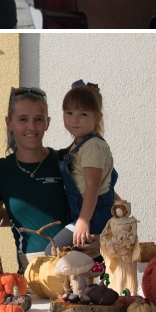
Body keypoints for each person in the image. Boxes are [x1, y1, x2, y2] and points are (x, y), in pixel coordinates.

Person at [0, 86, 70, 264]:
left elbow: (106, 200)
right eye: (23, 119)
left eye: (38, 119)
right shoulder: (0, 170)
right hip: (30, 270)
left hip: (73, 265)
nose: (31, 126)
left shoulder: (65, 161)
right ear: (9, 122)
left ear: (48, 122)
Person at [55, 81, 119, 249]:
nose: (74, 119)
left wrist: (83, 222)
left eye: (83, 114)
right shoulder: (79, 146)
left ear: (97, 118)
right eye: (69, 112)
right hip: (86, 213)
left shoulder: (93, 146)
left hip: (93, 216)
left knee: (54, 251)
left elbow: (93, 185)